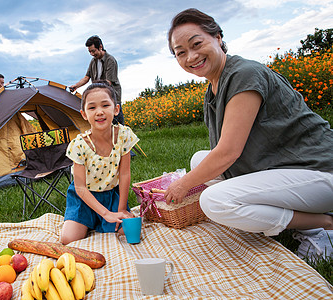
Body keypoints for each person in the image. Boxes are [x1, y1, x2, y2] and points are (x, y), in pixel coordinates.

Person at [164, 8, 333, 261]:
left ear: (218, 38)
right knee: (200, 160)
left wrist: (183, 184)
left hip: (319, 170)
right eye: (181, 53)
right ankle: (289, 219)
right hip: (284, 165)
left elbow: (229, 152)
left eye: (197, 44)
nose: (191, 56)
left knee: (214, 202)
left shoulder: (244, 74)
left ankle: (321, 226)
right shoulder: (214, 87)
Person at [60, 81, 139, 245]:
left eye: (105, 105)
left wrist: (121, 209)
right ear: (84, 114)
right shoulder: (79, 145)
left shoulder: (124, 135)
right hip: (84, 198)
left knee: (125, 231)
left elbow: (124, 174)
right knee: (68, 238)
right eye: (92, 108)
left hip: (111, 195)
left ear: (116, 109)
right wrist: (106, 214)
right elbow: (80, 187)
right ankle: (90, 220)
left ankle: (98, 221)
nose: (99, 112)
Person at [69, 35, 125, 125]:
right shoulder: (93, 61)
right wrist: (76, 86)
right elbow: (87, 77)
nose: (92, 54)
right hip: (99, 98)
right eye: (90, 52)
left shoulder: (110, 60)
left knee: (117, 125)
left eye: (93, 51)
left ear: (100, 47)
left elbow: (108, 83)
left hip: (111, 99)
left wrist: (92, 90)